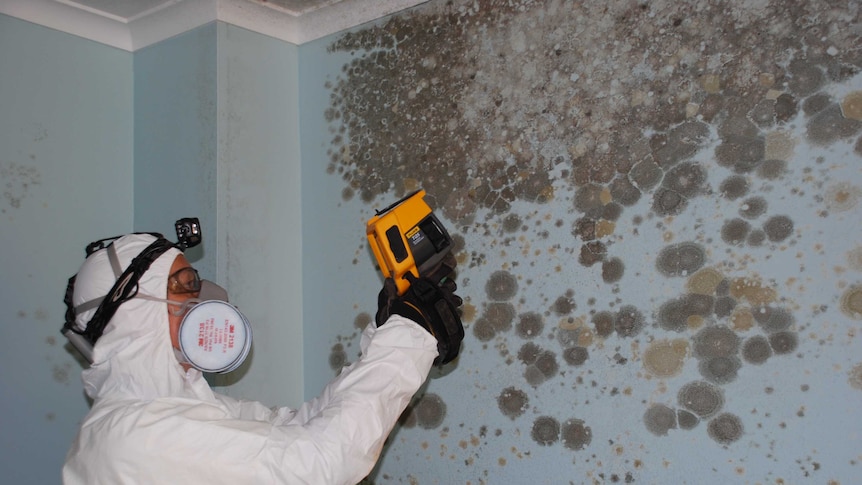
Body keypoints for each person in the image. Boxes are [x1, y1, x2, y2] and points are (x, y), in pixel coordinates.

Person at [61, 229, 463, 484]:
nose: (205, 300)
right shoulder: (134, 436)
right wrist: (410, 336)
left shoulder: (176, 407)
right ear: (135, 315)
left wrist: (390, 330)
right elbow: (319, 465)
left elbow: (299, 427)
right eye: (184, 287)